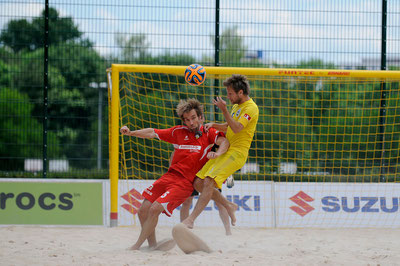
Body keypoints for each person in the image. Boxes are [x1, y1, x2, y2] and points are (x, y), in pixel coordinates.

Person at [120, 98, 229, 250]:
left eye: (193, 118)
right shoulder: (178, 132)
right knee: (142, 211)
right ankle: (152, 246)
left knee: (154, 209)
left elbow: (224, 142)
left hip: (185, 183)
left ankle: (136, 246)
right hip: (169, 176)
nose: (190, 123)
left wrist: (218, 155)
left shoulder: (208, 133)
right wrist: (131, 133)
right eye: (187, 120)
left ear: (201, 117)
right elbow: (152, 132)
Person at [182, 74, 259, 229]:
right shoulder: (237, 106)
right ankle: (228, 205)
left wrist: (224, 110)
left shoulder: (251, 108)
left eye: (230, 93)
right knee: (198, 182)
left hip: (237, 153)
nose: (228, 97)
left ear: (240, 93)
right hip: (227, 151)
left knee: (209, 180)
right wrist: (214, 124)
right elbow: (230, 125)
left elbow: (237, 128)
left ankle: (190, 220)